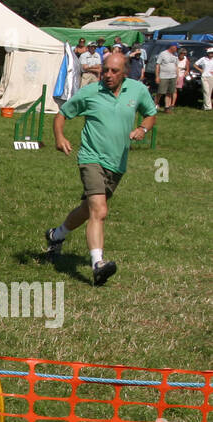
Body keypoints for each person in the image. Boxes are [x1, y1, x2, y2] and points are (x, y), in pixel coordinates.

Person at [44, 52, 157, 286]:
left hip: (117, 163)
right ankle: (98, 264)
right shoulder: (90, 92)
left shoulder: (137, 90)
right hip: (91, 158)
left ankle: (56, 235)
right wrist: (59, 137)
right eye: (105, 70)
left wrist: (142, 130)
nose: (108, 75)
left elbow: (150, 115)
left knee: (88, 209)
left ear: (125, 72)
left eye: (114, 71)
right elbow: (62, 114)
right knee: (100, 210)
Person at [153, 43, 179, 111]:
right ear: (172, 47)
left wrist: (177, 76)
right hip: (164, 76)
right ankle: (154, 105)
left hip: (173, 76)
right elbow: (157, 65)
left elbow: (176, 66)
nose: (177, 49)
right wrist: (157, 76)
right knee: (160, 92)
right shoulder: (163, 54)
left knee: (170, 92)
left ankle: (167, 107)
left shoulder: (175, 55)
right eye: (176, 48)